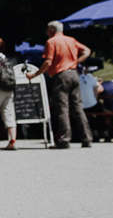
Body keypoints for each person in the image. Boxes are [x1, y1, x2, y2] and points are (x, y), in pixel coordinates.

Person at [38, 20, 93, 149]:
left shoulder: (51, 42)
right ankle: (87, 138)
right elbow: (87, 50)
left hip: (60, 76)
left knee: (62, 108)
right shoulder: (71, 40)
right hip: (74, 74)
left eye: (47, 30)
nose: (46, 33)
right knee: (78, 107)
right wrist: (75, 62)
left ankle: (64, 139)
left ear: (52, 30)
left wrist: (36, 74)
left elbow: (48, 62)